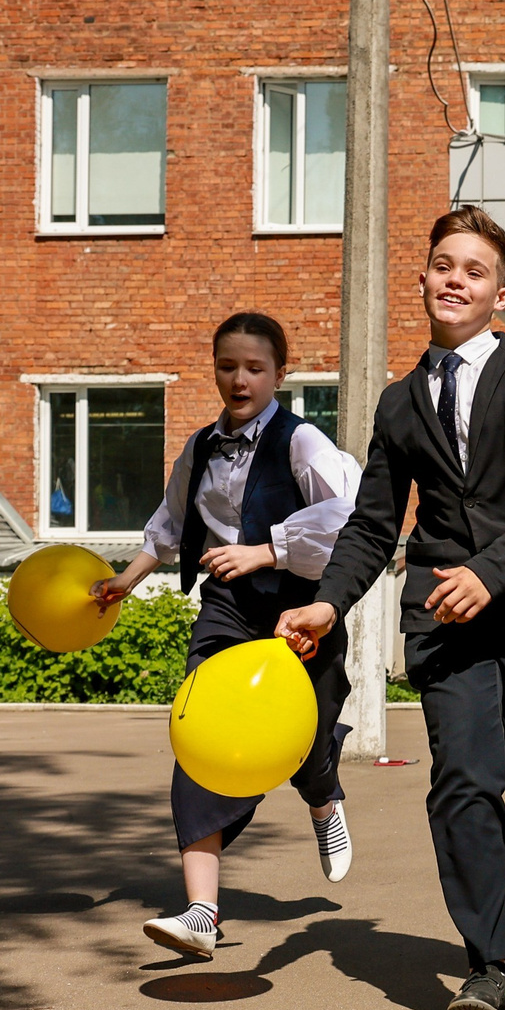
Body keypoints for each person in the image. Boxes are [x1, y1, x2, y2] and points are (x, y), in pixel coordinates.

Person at [276, 207, 505, 1010]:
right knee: (460, 779)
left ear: (502, 293)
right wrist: (326, 599)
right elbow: (374, 524)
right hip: (444, 623)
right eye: (444, 264)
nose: (456, 278)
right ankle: (487, 964)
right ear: (422, 278)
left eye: (476, 270)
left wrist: (490, 575)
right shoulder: (398, 403)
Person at [94, 311, 363, 961]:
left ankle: (323, 797)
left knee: (307, 738)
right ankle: (202, 912)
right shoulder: (201, 447)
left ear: (279, 374)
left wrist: (268, 550)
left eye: (254, 368)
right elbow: (171, 521)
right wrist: (123, 582)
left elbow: (351, 512)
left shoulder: (301, 443)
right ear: (213, 366)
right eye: (227, 366)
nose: (239, 379)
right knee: (201, 737)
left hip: (302, 609)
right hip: (227, 609)